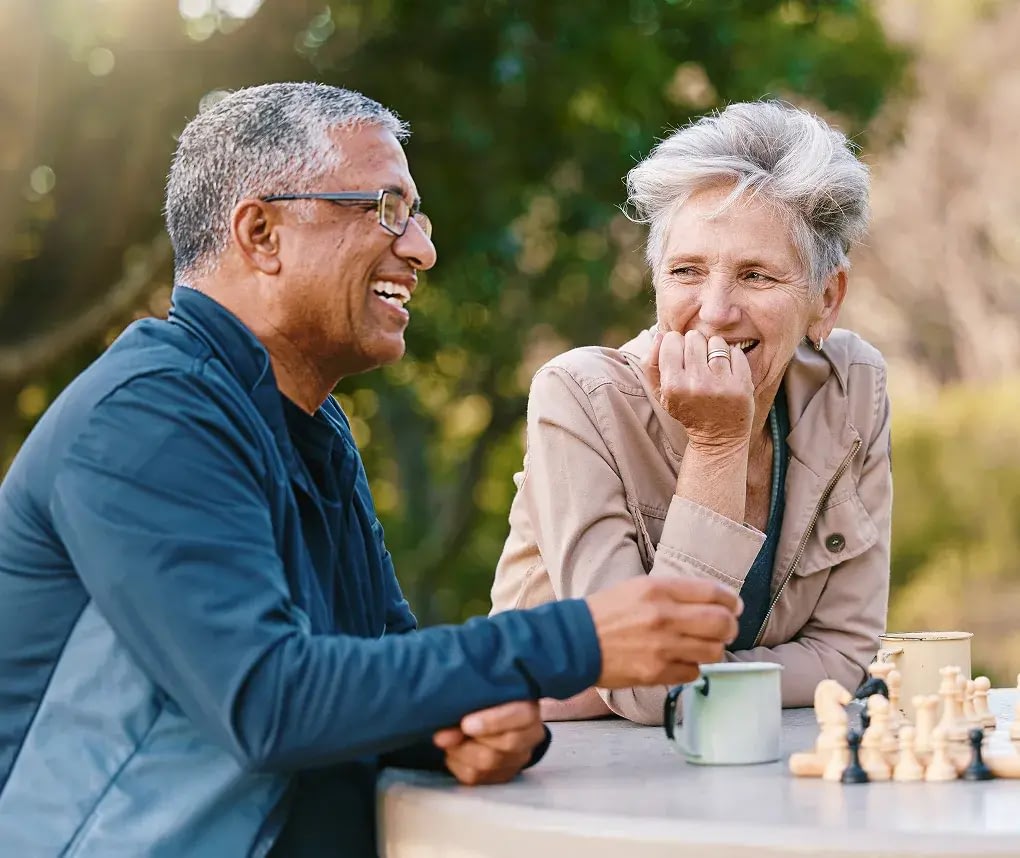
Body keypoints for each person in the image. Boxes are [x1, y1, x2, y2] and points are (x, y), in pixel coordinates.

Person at [0, 83, 743, 858]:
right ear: (261, 233)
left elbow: (372, 667)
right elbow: (269, 699)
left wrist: (470, 726)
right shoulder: (146, 419)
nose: (420, 248)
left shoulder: (310, 424)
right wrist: (575, 639)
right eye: (386, 208)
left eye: (416, 216)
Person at [490, 100, 892, 724]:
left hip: (757, 760)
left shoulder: (852, 386)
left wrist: (678, 683)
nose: (714, 311)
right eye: (686, 271)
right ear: (655, 280)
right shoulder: (578, 397)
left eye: (757, 275)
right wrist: (719, 445)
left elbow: (844, 654)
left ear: (825, 299)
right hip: (570, 775)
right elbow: (651, 689)